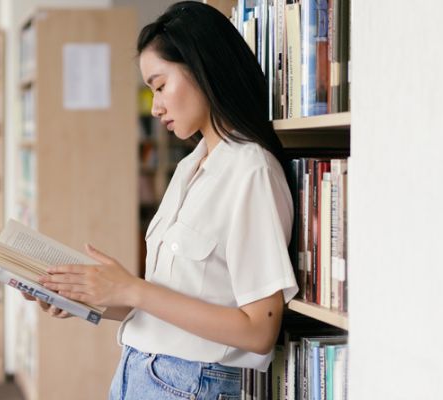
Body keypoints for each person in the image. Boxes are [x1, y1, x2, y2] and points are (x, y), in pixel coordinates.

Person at [26, 2, 299, 399]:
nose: (155, 107)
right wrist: (93, 298)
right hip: (138, 371)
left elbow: (258, 330)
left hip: (190, 383)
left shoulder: (251, 171)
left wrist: (133, 288)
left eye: (160, 85)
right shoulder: (191, 167)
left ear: (201, 68)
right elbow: (171, 308)